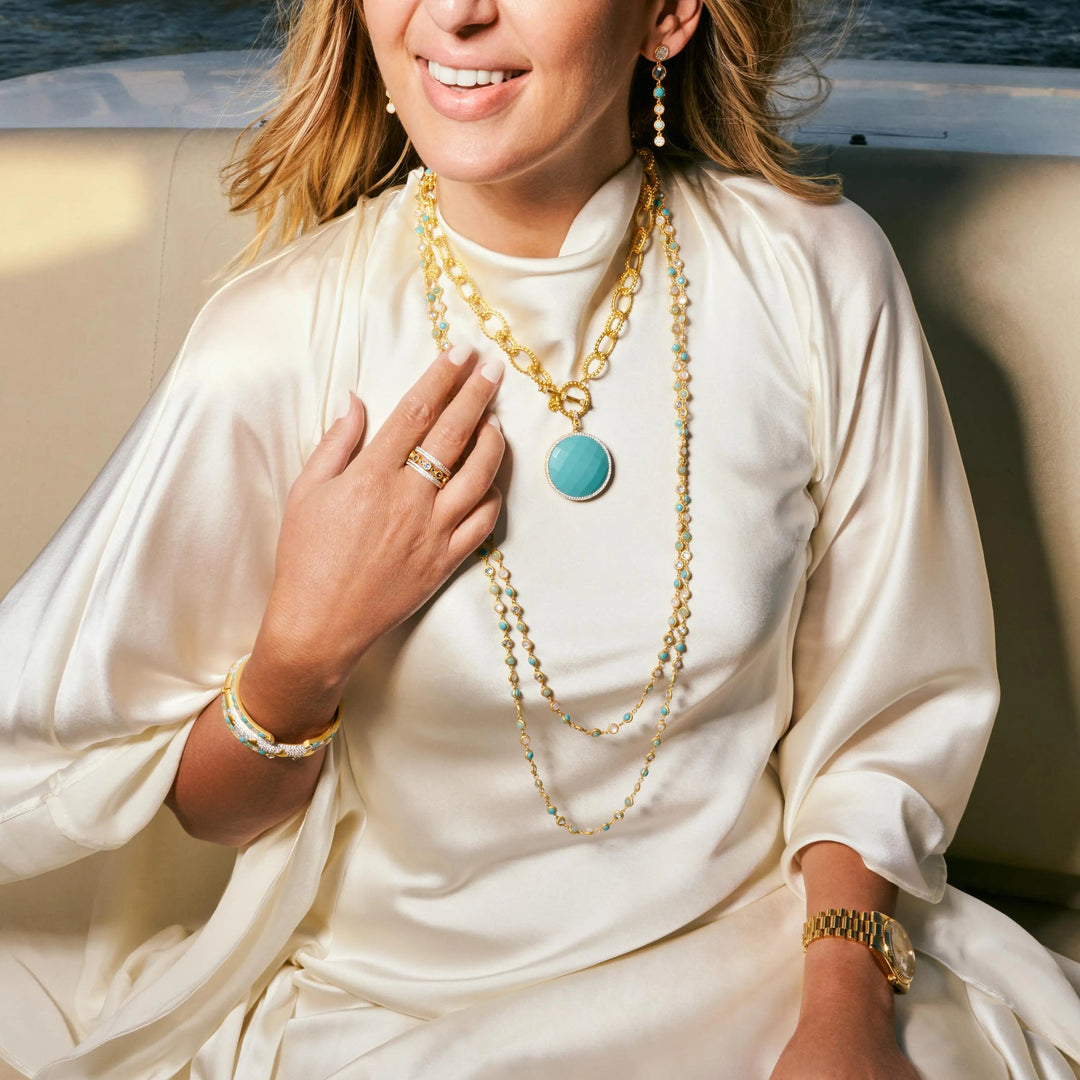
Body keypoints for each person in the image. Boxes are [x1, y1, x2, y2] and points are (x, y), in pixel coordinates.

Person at [2, 0, 1080, 1077]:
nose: (455, 15)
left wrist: (844, 1013)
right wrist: (302, 650)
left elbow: (884, 722)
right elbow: (203, 814)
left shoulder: (815, 274)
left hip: (783, 970)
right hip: (398, 1018)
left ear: (668, 17)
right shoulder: (281, 342)